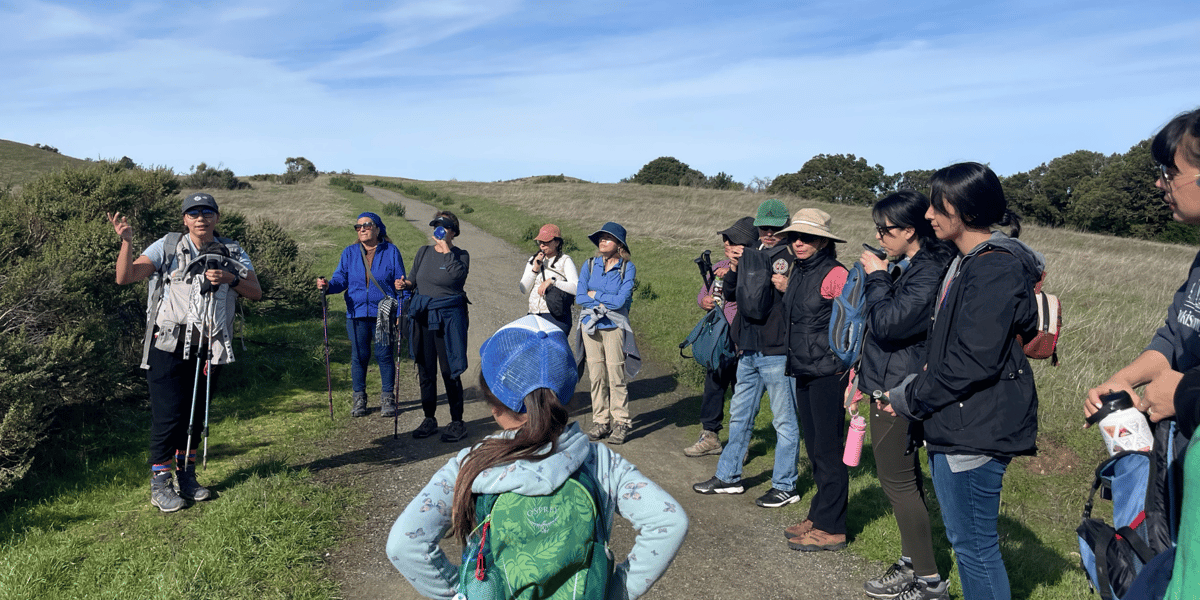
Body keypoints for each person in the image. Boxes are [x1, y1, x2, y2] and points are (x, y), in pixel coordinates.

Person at [386, 315, 688, 600]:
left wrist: (462, 591)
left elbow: (404, 544)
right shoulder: (599, 462)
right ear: (564, 395)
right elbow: (669, 521)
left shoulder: (472, 466)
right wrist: (614, 590)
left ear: (493, 403)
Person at [887, 162, 1043, 600]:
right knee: (969, 543)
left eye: (939, 205)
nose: (929, 215)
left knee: (973, 547)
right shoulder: (967, 263)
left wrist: (911, 398)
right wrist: (909, 393)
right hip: (959, 419)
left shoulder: (994, 268)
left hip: (974, 426)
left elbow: (972, 360)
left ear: (966, 210)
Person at [1083, 107, 1200, 599]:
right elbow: (1175, 336)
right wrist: (1125, 379)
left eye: (1170, 172)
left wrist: (1188, 391)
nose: (1161, 184)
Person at [107, 192, 262, 513]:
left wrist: (231, 278)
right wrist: (126, 242)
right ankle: (160, 484)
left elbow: (256, 292)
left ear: (217, 218)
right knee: (169, 414)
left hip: (210, 345)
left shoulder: (232, 250)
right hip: (167, 343)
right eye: (193, 213)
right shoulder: (167, 246)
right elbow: (125, 277)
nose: (200, 218)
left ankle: (186, 476)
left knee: (195, 415)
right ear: (184, 219)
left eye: (207, 212)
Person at [856, 191, 956, 599]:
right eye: (877, 229)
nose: (880, 236)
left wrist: (878, 276)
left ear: (911, 230)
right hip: (896, 381)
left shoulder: (928, 268)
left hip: (899, 389)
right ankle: (912, 563)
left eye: (887, 229)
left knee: (897, 482)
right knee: (907, 480)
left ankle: (930, 582)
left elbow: (889, 325)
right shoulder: (915, 264)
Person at [692, 199, 803, 512]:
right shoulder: (753, 256)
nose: (768, 233)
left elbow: (803, 302)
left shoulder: (791, 258)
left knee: (784, 421)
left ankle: (784, 485)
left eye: (775, 228)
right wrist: (736, 269)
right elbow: (728, 295)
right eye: (763, 228)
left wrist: (785, 285)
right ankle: (728, 476)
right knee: (739, 415)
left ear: (786, 228)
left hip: (778, 350)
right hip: (749, 348)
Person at [774, 208, 851, 552]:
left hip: (828, 371)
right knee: (815, 447)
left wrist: (846, 369)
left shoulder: (835, 273)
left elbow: (852, 323)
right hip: (804, 368)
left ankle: (832, 527)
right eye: (793, 236)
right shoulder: (800, 270)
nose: (798, 242)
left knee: (829, 449)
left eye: (806, 237)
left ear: (823, 241)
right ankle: (819, 515)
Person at [316, 212, 408, 418]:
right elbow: (340, 280)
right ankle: (359, 399)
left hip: (383, 312)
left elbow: (401, 285)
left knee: (384, 356)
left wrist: (400, 312)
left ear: (377, 229)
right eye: (358, 227)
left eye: (366, 225)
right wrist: (328, 286)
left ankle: (387, 398)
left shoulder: (391, 251)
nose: (362, 229)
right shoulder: (349, 253)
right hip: (356, 313)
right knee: (359, 357)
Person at [684, 216, 757, 457]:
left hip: (744, 341)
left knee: (741, 393)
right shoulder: (717, 266)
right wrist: (703, 301)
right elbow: (704, 293)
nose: (727, 243)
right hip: (718, 338)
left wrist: (736, 270)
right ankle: (710, 435)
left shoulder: (756, 267)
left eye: (733, 239)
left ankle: (740, 444)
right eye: (726, 239)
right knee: (714, 386)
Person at [398, 211, 470, 442]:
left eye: (444, 226)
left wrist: (446, 249)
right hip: (422, 316)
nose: (438, 229)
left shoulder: (461, 255)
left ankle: (457, 422)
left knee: (450, 370)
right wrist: (404, 284)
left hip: (449, 318)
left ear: (453, 231)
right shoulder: (423, 252)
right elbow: (413, 280)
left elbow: (458, 278)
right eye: (436, 225)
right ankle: (429, 418)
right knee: (425, 369)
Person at [574, 221, 640, 445]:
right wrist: (601, 298)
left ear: (619, 244)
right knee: (596, 376)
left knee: (616, 375)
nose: (602, 241)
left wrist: (595, 295)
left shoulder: (626, 267)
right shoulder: (590, 264)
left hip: (613, 326)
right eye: (601, 238)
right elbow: (579, 296)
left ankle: (620, 423)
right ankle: (601, 421)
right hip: (590, 326)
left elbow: (621, 301)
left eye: (608, 238)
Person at [518, 223, 578, 334]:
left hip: (556, 316)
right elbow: (524, 289)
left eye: (546, 242)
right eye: (540, 242)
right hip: (534, 314)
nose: (542, 245)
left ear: (557, 242)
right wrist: (535, 269)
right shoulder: (533, 259)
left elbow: (576, 288)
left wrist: (552, 282)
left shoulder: (565, 260)